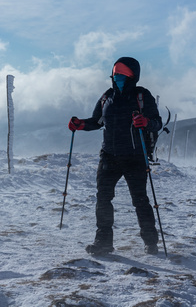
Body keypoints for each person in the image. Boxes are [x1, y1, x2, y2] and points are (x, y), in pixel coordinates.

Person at [68, 56, 162, 255]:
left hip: (135, 157)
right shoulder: (107, 97)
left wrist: (145, 121)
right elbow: (96, 121)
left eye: (122, 73)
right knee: (103, 198)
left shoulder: (142, 96)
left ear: (133, 76)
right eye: (115, 73)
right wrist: (80, 124)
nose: (117, 76)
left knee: (140, 200)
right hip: (109, 156)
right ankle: (103, 242)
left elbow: (156, 122)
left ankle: (151, 242)